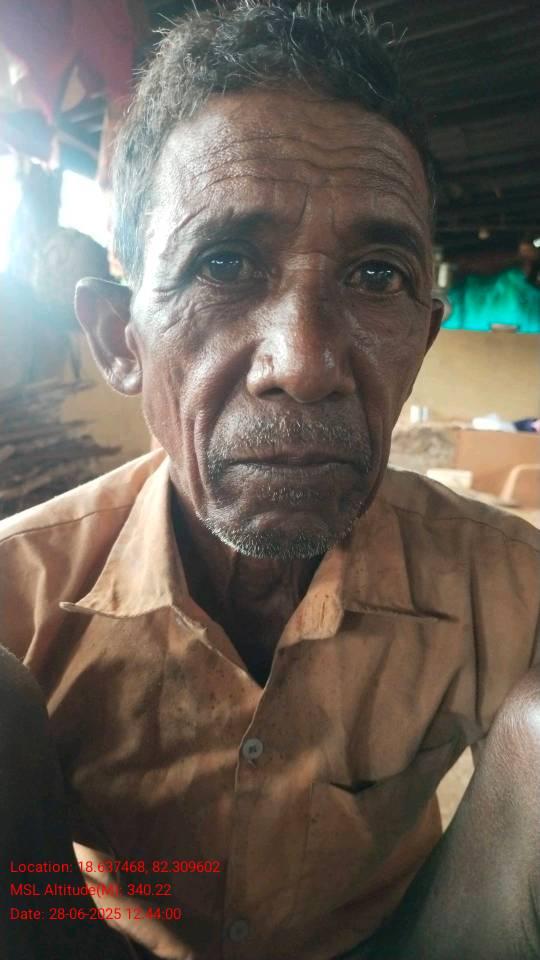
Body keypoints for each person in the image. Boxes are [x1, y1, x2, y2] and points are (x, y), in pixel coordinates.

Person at [1, 4, 539, 959]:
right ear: (121, 339)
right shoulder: (21, 596)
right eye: (223, 263)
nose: (305, 363)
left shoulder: (506, 585)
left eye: (376, 276)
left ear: (423, 337)